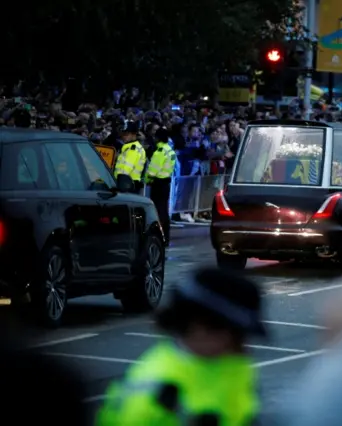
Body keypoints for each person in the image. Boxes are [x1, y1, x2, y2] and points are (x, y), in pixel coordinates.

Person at [97, 267, 265, 426]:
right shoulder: (151, 394)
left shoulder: (231, 366)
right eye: (237, 336)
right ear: (198, 327)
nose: (243, 348)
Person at [145, 127, 177, 246]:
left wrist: (147, 179)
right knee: (164, 211)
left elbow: (153, 170)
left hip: (157, 183)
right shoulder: (170, 150)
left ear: (157, 137)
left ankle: (159, 237)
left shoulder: (160, 151)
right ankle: (166, 238)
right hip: (166, 183)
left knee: (157, 211)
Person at [114, 120, 146, 193]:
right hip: (127, 184)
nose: (123, 136)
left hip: (127, 186)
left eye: (126, 134)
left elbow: (125, 170)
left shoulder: (133, 149)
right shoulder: (129, 147)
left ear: (134, 134)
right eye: (123, 133)